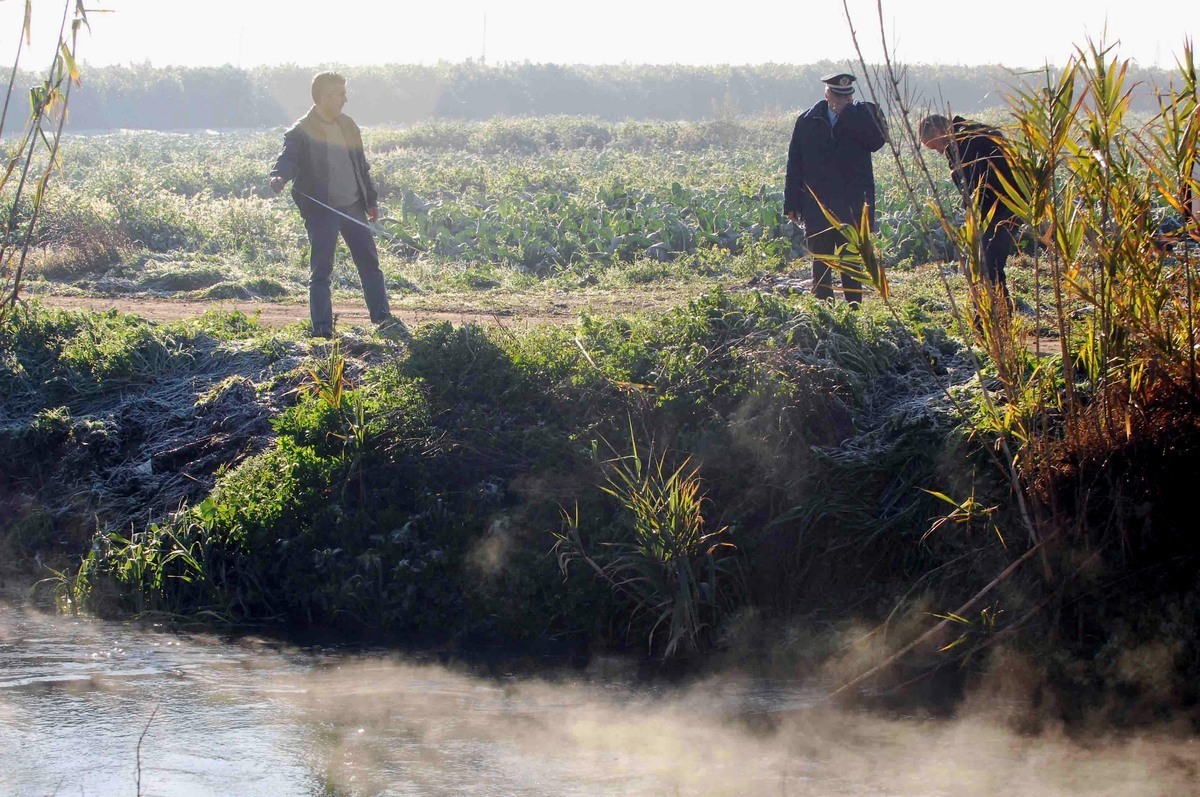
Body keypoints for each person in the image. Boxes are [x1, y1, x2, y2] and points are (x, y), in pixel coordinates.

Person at [269, 72, 401, 338]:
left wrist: (371, 199)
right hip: (322, 211)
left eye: (343, 93)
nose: (344, 99)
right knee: (322, 270)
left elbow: (361, 166)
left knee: (370, 265)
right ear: (322, 96)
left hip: (353, 206)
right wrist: (279, 176)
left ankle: (382, 318)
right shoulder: (300, 131)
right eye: (338, 94)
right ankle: (322, 329)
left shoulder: (348, 126)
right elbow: (289, 159)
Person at [784, 72, 887, 305]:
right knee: (821, 262)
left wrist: (850, 116)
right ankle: (824, 310)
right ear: (828, 94)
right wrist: (791, 202)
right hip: (817, 205)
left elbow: (877, 142)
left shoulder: (864, 115)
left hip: (852, 206)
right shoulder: (807, 120)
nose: (845, 100)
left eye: (848, 96)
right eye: (839, 96)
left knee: (851, 261)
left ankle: (853, 309)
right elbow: (795, 163)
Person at [918, 114, 1019, 309]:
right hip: (1004, 205)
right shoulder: (969, 134)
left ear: (939, 132)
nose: (939, 152)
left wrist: (974, 220)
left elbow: (975, 188)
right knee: (989, 263)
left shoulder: (966, 143)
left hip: (1002, 207)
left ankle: (996, 315)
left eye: (934, 146)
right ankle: (994, 314)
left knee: (989, 263)